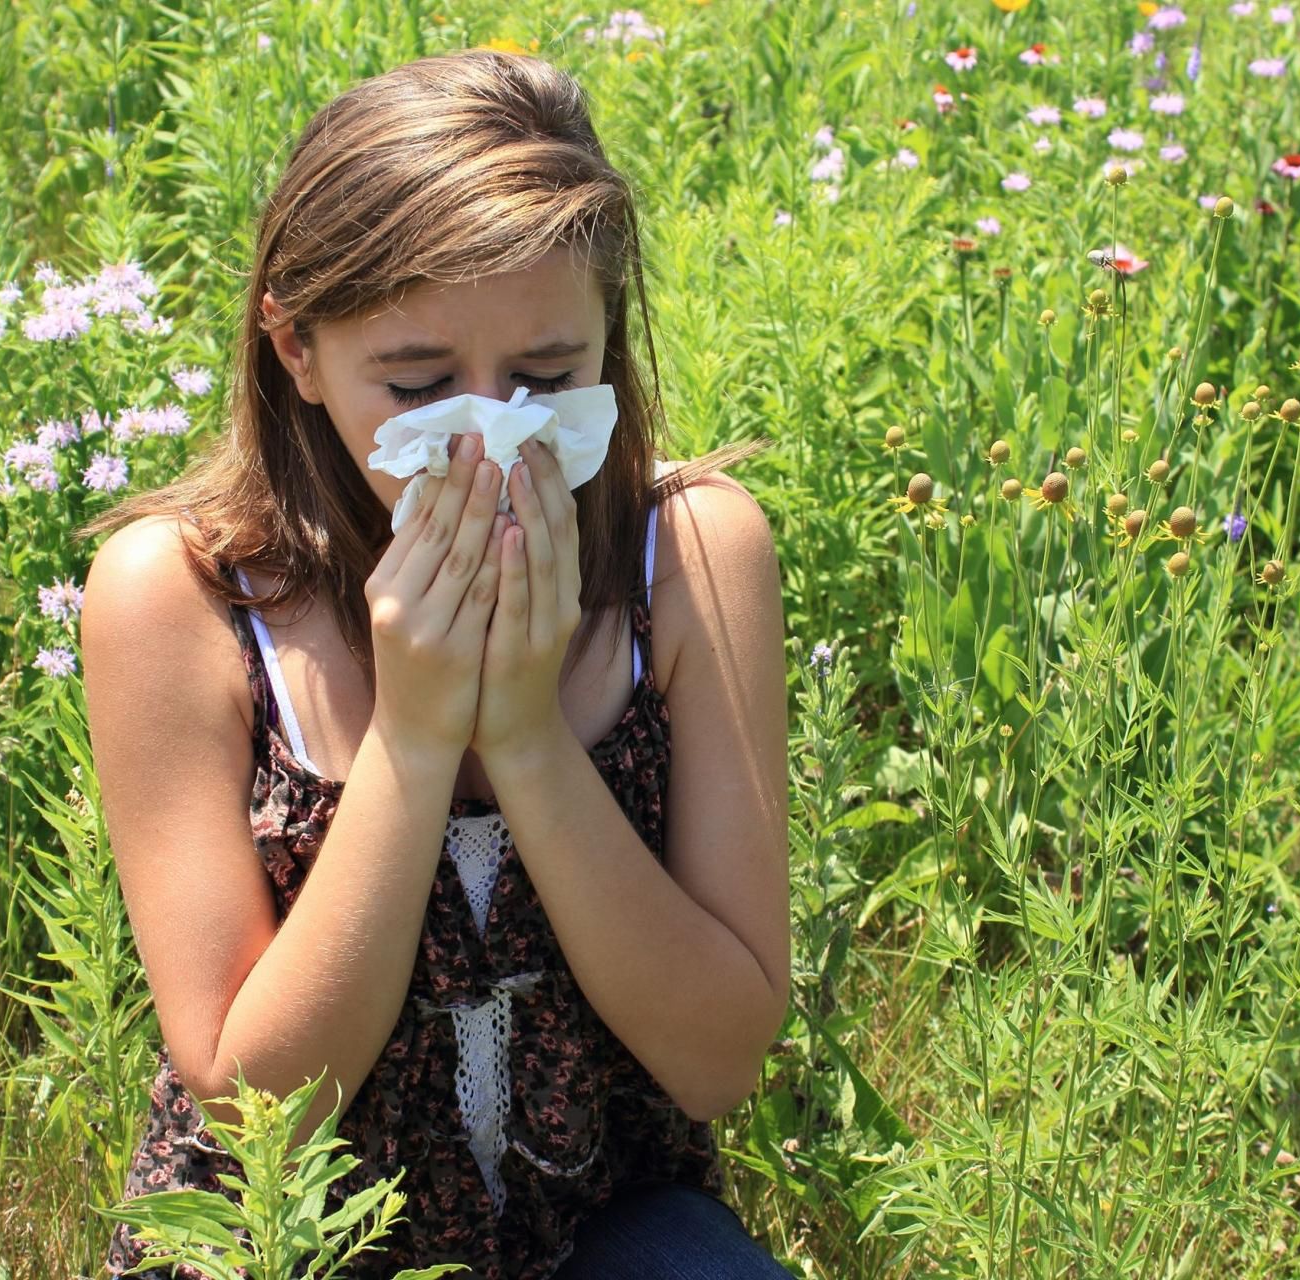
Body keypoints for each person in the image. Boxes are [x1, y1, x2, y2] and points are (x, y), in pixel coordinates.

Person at [78, 47, 791, 1280]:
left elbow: (720, 1059)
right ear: (295, 348)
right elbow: (262, 1113)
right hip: (290, 1235)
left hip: (601, 1219)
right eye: (418, 384)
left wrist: (525, 737)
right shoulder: (181, 598)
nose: (491, 428)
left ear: (607, 341)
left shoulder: (693, 556)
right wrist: (411, 740)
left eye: (549, 377)